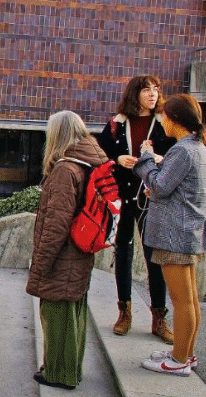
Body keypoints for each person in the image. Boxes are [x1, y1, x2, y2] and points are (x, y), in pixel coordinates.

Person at [27, 111, 108, 390]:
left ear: (57, 135)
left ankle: (59, 373)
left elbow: (55, 225)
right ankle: (70, 368)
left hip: (64, 255)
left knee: (56, 315)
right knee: (74, 313)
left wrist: (41, 264)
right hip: (81, 251)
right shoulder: (89, 163)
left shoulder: (65, 170)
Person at [96, 75, 175, 342]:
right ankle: (124, 311)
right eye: (146, 90)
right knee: (124, 253)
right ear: (135, 94)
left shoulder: (164, 123)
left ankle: (159, 317)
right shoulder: (118, 123)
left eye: (156, 89)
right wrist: (118, 158)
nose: (153, 94)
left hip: (152, 198)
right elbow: (100, 154)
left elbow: (178, 157)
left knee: (155, 257)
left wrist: (156, 158)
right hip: (123, 196)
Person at [134, 94, 206, 376]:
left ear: (174, 120)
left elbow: (161, 187)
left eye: (164, 116)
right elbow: (176, 189)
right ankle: (185, 354)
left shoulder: (182, 150)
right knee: (188, 299)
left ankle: (178, 360)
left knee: (181, 300)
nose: (162, 120)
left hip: (173, 233)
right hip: (189, 231)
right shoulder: (198, 148)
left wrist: (147, 160)